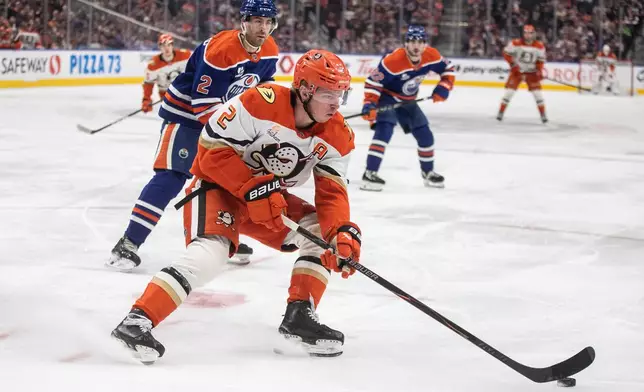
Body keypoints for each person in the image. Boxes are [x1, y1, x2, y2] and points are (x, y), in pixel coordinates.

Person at [111, 49, 361, 363]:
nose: (337, 103)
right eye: (328, 93)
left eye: (342, 94)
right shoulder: (260, 102)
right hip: (218, 189)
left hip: (266, 202)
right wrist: (253, 187)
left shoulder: (338, 134)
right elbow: (210, 152)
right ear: (305, 88)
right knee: (210, 254)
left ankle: (298, 319)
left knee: (322, 234)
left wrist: (341, 232)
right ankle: (137, 320)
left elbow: (332, 194)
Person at [107, 0, 280, 271]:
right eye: (258, 20)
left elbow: (263, 88)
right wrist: (236, 133)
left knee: (226, 185)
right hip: (186, 116)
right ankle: (129, 242)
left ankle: (222, 239)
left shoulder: (269, 50)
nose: (264, 27)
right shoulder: (221, 50)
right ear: (244, 21)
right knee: (171, 177)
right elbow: (203, 104)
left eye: (269, 22)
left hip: (222, 119)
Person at [360, 25, 454, 191]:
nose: (416, 46)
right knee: (384, 131)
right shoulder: (392, 61)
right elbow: (373, 82)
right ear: (406, 44)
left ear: (425, 44)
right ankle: (369, 174)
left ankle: (428, 173)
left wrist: (443, 87)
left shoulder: (432, 55)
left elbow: (448, 68)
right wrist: (370, 104)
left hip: (408, 101)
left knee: (425, 134)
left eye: (420, 42)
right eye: (412, 41)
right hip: (387, 98)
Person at [497, 25, 547, 123]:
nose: (528, 35)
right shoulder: (515, 43)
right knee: (509, 93)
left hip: (531, 73)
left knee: (538, 95)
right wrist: (513, 65)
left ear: (533, 34)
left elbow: (540, 61)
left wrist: (539, 71)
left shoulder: (540, 46)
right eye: (526, 33)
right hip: (517, 72)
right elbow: (506, 53)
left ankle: (543, 115)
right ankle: (501, 112)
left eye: (530, 33)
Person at [141, 34, 192, 114]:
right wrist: (146, 100)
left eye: (169, 45)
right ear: (160, 47)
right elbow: (148, 83)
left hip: (185, 92)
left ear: (172, 46)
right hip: (166, 95)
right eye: (163, 46)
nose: (166, 48)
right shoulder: (153, 64)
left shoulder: (185, 56)